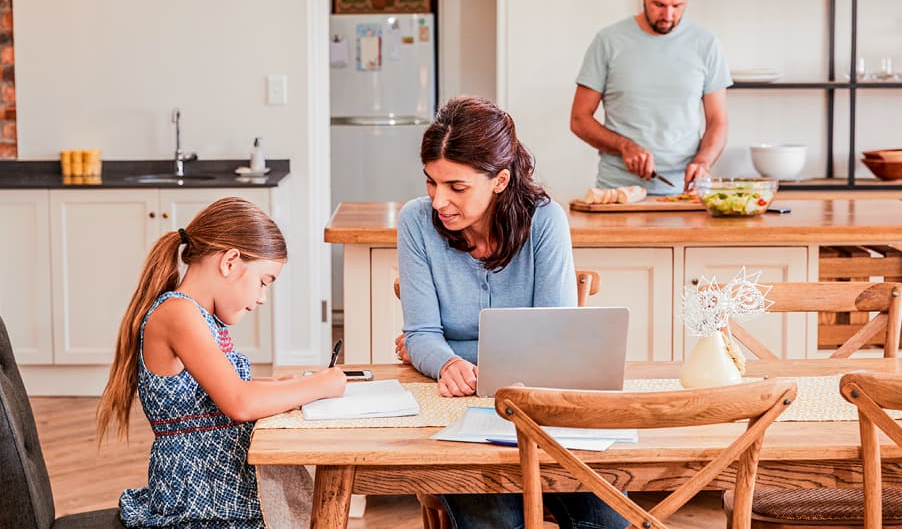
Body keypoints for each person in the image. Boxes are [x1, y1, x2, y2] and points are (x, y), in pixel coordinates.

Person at [394, 95, 628, 529]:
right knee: (496, 519)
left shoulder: (545, 220)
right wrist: (444, 360)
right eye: (431, 182)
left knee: (609, 520)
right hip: (462, 410)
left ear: (499, 180)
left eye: (456, 187)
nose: (439, 201)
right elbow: (422, 333)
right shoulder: (414, 221)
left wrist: (446, 352)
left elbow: (555, 337)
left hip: (544, 408)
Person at [96, 196, 346, 528]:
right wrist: (320, 384)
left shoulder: (199, 317)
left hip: (217, 485)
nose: (261, 298)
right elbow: (238, 403)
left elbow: (215, 395)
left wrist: (283, 384)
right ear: (229, 262)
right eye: (263, 282)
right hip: (201, 498)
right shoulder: (178, 314)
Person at [570, 0, 732, 194]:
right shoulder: (608, 41)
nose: (668, 15)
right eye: (659, 4)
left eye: (678, 5)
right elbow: (579, 119)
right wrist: (624, 146)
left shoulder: (706, 44)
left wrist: (703, 161)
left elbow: (718, 121)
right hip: (618, 192)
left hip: (684, 193)